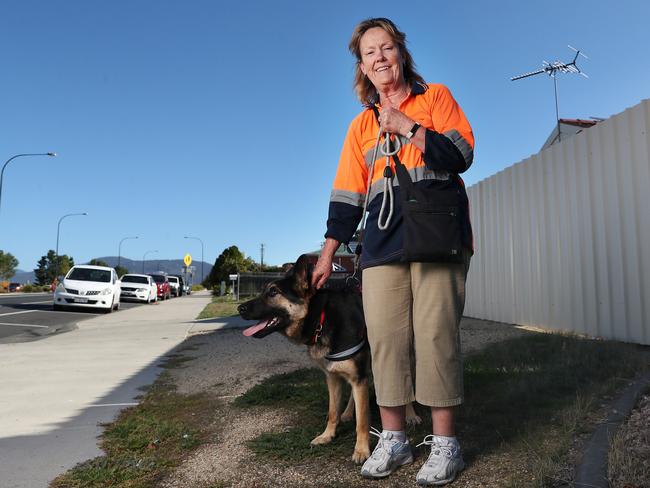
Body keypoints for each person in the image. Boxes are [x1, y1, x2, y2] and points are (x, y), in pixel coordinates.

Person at [311, 18, 474, 486]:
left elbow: (460, 155)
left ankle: (445, 447)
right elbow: (346, 199)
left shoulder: (436, 98)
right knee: (385, 341)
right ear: (362, 65)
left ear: (400, 53)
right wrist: (327, 254)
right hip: (381, 247)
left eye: (386, 47)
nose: (380, 57)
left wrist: (407, 126)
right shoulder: (360, 126)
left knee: (436, 337)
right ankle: (395, 440)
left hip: (437, 238)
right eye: (369, 52)